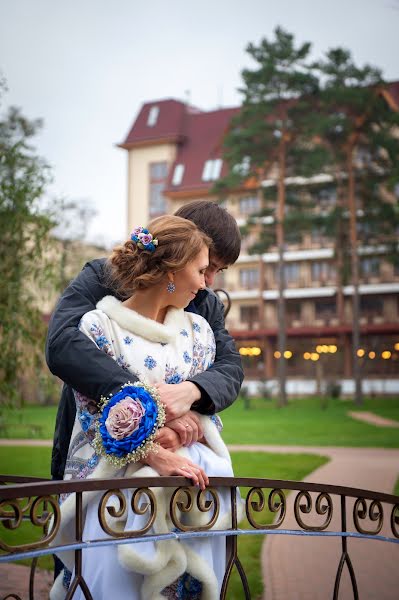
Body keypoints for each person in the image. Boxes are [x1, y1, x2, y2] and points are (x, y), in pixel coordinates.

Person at [50, 216, 240, 600]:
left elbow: (226, 374)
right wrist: (149, 423)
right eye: (206, 269)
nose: (209, 284)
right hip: (115, 496)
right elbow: (80, 385)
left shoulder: (200, 328)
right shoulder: (98, 322)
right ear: (172, 267)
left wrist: (190, 403)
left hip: (191, 494)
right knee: (111, 582)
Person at [46, 200, 243, 482]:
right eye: (206, 266)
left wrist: (192, 391)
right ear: (180, 251)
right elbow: (62, 345)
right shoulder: (102, 277)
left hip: (182, 459)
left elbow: (230, 366)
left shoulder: (205, 305)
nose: (209, 281)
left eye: (218, 271)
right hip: (98, 459)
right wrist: (153, 408)